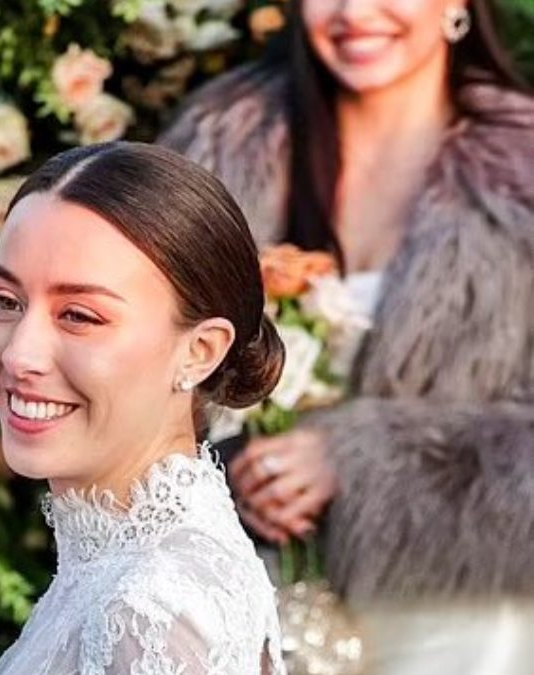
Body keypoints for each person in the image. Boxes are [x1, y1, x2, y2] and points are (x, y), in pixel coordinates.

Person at [160, 0, 534, 601]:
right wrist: (237, 471)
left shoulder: (522, 176)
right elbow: (142, 362)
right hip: (248, 594)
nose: (355, 12)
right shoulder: (219, 146)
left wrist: (359, 461)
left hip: (465, 607)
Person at [0, 142, 286, 674]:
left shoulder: (150, 607)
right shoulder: (126, 572)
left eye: (79, 315)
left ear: (200, 351)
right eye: (6, 301)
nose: (18, 355)